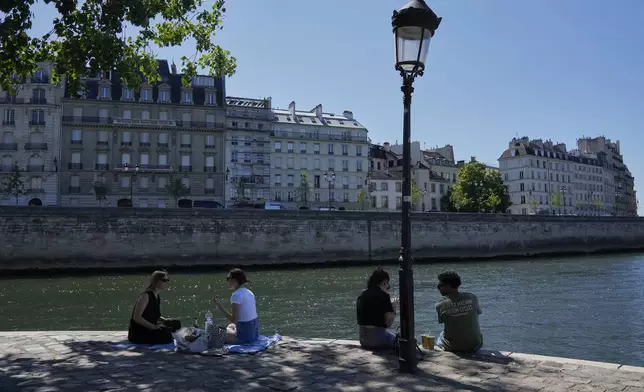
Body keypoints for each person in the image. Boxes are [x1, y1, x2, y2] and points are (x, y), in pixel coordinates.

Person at [435, 271, 483, 353]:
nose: (438, 287)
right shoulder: (472, 297)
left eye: (441, 284)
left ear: (448, 286)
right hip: (475, 345)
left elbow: (442, 321)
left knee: (440, 336)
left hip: (453, 347)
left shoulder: (440, 304)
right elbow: (477, 314)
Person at [128, 270, 180, 344]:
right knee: (166, 336)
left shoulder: (156, 295)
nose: (167, 282)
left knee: (176, 323)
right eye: (164, 280)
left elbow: (154, 315)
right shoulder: (145, 296)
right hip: (141, 331)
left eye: (168, 280)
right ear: (157, 281)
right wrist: (153, 327)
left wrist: (165, 321)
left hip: (153, 324)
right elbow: (136, 317)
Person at [356, 267, 399, 349]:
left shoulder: (362, 295)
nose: (388, 287)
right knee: (401, 341)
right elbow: (388, 324)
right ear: (384, 282)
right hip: (378, 340)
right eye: (388, 284)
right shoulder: (384, 296)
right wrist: (394, 307)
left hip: (363, 340)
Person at [214, 268, 259, 344]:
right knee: (230, 326)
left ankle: (237, 337)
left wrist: (220, 307)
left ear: (234, 280)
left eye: (228, 278)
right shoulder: (249, 292)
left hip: (245, 337)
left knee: (215, 335)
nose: (227, 281)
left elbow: (234, 320)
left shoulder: (236, 295)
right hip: (254, 333)